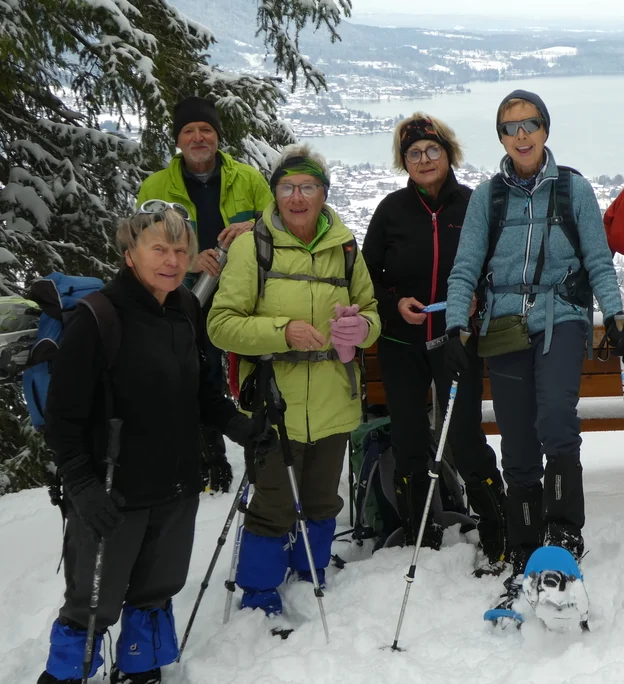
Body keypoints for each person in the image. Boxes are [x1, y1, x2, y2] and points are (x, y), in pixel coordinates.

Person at [38, 207, 275, 684]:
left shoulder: (185, 307)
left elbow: (203, 394)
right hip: (112, 492)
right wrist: (82, 487)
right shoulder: (97, 319)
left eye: (180, 249)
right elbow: (63, 420)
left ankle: (140, 669)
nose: (171, 260)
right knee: (92, 602)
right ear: (130, 255)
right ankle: (65, 676)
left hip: (176, 484)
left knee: (156, 589)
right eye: (159, 249)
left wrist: (241, 426)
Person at [442, 90, 624, 609]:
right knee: (518, 439)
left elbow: (597, 258)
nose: (521, 135)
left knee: (554, 418)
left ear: (545, 130)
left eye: (530, 124)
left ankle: (565, 531)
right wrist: (458, 325)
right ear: (501, 137)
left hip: (562, 316)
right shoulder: (488, 197)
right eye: (510, 127)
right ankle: (525, 543)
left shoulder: (573, 189)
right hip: (504, 324)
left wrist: (616, 315)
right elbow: (465, 268)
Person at [208, 144, 380, 615]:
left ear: (324, 193)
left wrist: (361, 328)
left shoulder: (345, 247)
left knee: (323, 498)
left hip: (333, 397)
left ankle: (310, 571)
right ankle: (260, 592)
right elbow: (220, 323)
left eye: (308, 187)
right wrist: (282, 332)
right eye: (287, 187)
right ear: (275, 191)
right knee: (274, 503)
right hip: (273, 400)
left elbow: (370, 310)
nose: (297, 197)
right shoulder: (252, 246)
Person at [363, 113, 507, 574]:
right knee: (407, 438)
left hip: (456, 338)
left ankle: (496, 525)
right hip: (400, 341)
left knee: (463, 436)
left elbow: (494, 269)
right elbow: (366, 278)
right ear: (403, 161)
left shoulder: (473, 205)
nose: (424, 160)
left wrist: (476, 302)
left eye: (432, 150)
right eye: (413, 153)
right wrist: (393, 303)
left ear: (448, 154)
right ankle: (418, 530)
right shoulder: (391, 211)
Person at [137, 95, 274, 495]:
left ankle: (260, 441)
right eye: (189, 131)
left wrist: (252, 228)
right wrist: (188, 260)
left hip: (243, 289)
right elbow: (144, 245)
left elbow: (275, 222)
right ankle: (208, 452)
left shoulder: (246, 179)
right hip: (184, 293)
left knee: (253, 366)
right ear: (178, 140)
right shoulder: (157, 186)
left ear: (217, 136)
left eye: (206, 130)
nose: (198, 137)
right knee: (197, 369)